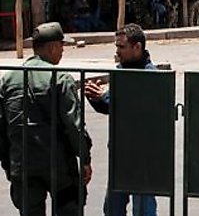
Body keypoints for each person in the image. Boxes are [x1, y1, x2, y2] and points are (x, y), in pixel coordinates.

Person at [0, 22, 93, 216]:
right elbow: (74, 125)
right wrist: (85, 158)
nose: (62, 51)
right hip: (58, 166)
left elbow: (2, 127)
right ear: (51, 47)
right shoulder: (60, 78)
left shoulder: (8, 79)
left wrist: (8, 164)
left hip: (23, 164)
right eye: (61, 46)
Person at [84, 23, 158, 216]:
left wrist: (105, 96)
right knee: (112, 209)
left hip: (143, 157)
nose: (117, 52)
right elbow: (113, 108)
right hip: (119, 154)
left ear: (137, 47)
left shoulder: (151, 76)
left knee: (143, 209)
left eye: (121, 47)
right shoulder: (120, 71)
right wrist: (95, 97)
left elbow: (135, 107)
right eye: (116, 47)